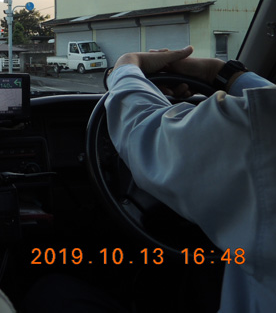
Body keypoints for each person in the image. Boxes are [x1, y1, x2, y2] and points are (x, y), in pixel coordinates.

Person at [104, 46, 276, 312]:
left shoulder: (260, 135)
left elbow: (144, 131)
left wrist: (126, 66)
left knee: (53, 288)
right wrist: (218, 72)